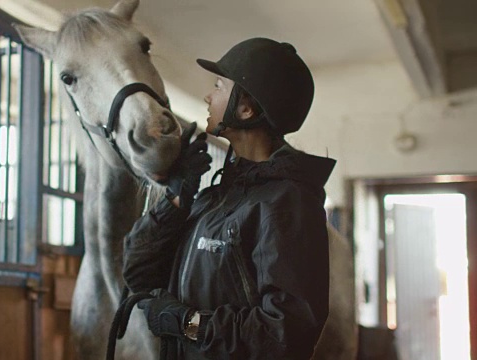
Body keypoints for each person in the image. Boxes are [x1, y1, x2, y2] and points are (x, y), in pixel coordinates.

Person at [122, 37, 336, 359]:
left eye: (219, 86)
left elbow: (286, 332)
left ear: (245, 109)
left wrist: (187, 323)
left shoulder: (288, 203)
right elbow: (138, 274)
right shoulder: (216, 198)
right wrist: (177, 199)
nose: (209, 96)